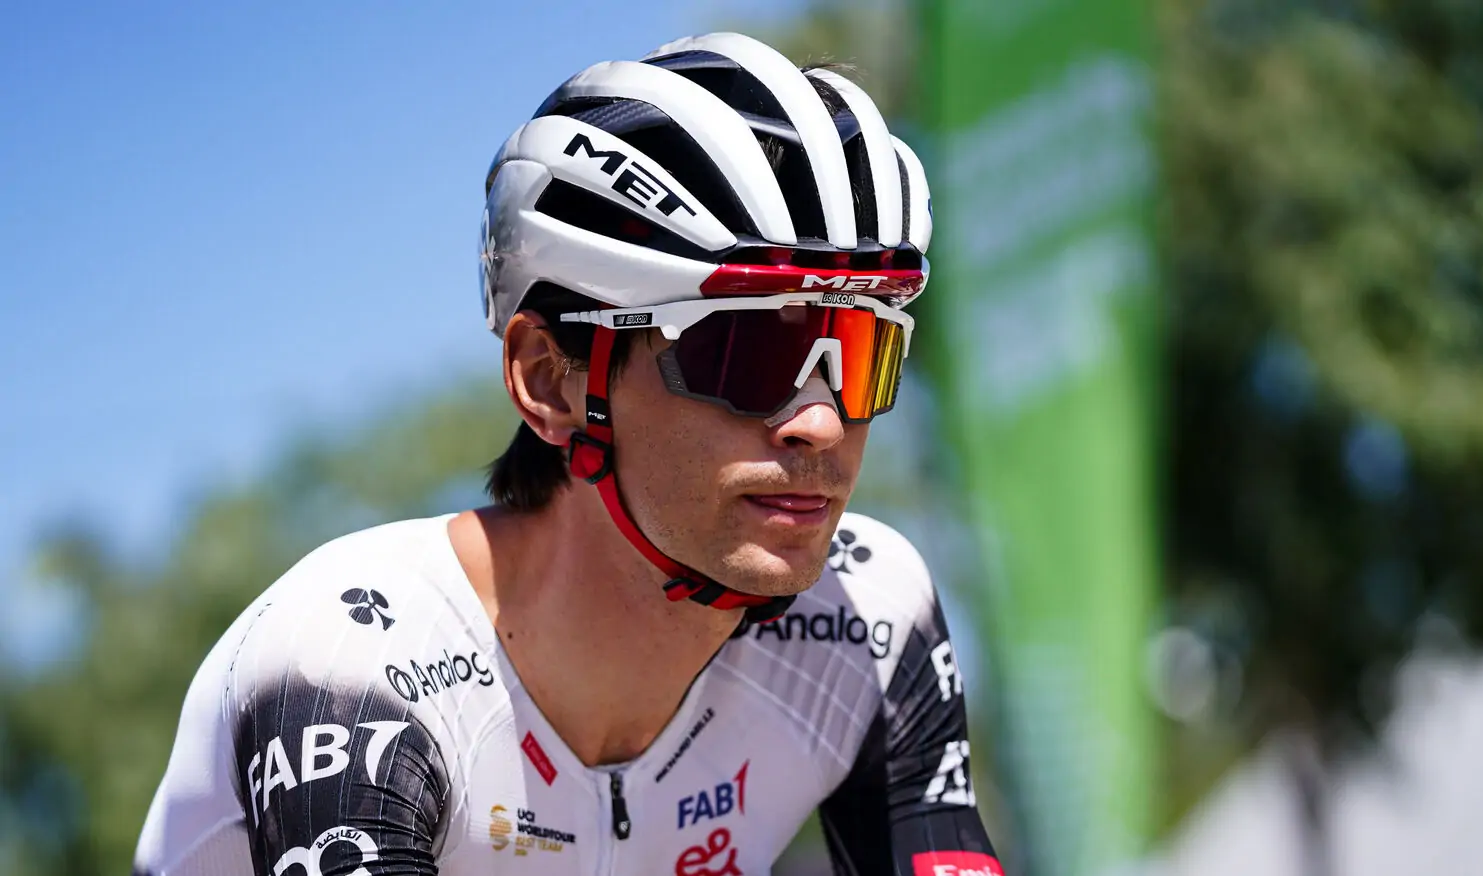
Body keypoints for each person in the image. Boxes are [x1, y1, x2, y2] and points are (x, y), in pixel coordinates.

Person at [134, 31, 1002, 876]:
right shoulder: (351, 669)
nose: (820, 423)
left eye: (861, 351)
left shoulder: (868, 617)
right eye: (747, 354)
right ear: (552, 381)